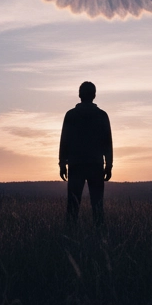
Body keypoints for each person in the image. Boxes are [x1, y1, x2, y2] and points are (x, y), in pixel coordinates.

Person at [59, 81, 113, 225]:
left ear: (79, 95)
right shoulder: (102, 116)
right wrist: (109, 165)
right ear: (94, 95)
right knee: (97, 207)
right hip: (95, 164)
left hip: (76, 165)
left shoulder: (70, 115)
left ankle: (69, 239)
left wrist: (62, 163)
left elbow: (64, 140)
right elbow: (108, 142)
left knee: (72, 207)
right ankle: (100, 239)